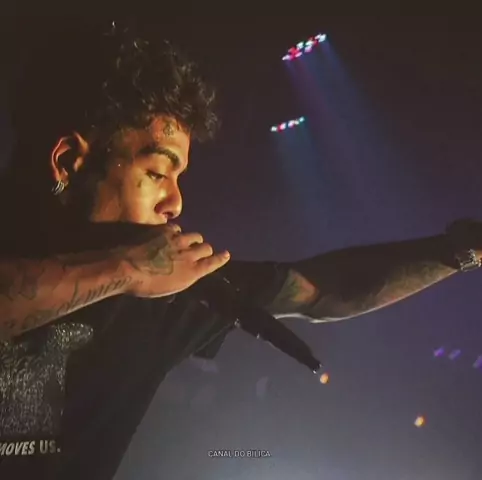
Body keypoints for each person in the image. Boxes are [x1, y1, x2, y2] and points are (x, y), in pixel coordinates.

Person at [0, 18, 481, 480]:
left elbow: (325, 289)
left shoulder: (173, 295)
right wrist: (124, 269)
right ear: (68, 160)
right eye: (157, 172)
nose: (175, 202)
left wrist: (463, 250)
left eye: (178, 178)